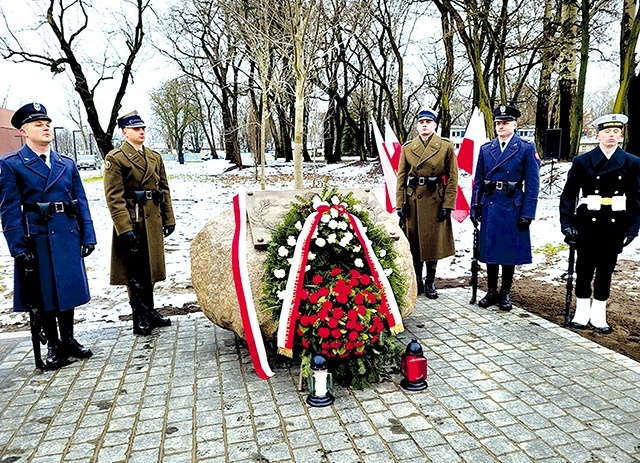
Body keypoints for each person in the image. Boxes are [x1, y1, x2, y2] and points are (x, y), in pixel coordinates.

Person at [0, 103, 96, 369]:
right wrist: (17, 246)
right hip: (37, 236)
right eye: (37, 124)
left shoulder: (66, 163)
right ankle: (53, 344)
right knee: (44, 293)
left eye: (47, 123)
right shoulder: (12, 164)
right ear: (23, 131)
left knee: (67, 289)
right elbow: (8, 208)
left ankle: (68, 340)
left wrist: (88, 234)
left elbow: (81, 200)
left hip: (66, 233)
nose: (45, 127)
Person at [559, 113, 640, 334]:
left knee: (606, 269)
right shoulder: (582, 161)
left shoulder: (632, 162)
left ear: (621, 136)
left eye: (615, 132)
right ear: (597, 136)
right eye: (606, 131)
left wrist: (633, 228)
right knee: (584, 268)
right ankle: (582, 311)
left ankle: (599, 313)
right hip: (587, 222)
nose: (611, 136)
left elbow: (636, 198)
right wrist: (566, 223)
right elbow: (569, 195)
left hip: (615, 223)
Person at [103, 111, 175, 335]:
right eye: (136, 129)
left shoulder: (154, 157)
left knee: (151, 269)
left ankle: (150, 310)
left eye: (143, 128)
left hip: (152, 221)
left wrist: (169, 218)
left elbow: (163, 189)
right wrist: (123, 229)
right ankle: (139, 315)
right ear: (124, 132)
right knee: (135, 271)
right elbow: (114, 197)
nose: (141, 132)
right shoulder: (116, 159)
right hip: (133, 221)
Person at [470, 104, 540, 311]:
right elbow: (479, 181)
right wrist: (476, 206)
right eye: (498, 123)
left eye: (506, 122)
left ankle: (506, 291)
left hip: (513, 206)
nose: (501, 126)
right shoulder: (486, 149)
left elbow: (533, 183)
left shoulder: (526, 148)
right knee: (491, 250)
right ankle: (492, 290)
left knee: (508, 251)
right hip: (491, 205)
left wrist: (528, 212)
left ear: (515, 125)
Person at [396, 108, 458, 299]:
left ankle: (430, 281)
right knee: (413, 242)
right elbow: (401, 176)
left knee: (432, 243)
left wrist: (448, 205)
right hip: (413, 200)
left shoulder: (446, 146)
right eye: (421, 122)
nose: (424, 125)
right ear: (416, 125)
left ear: (435, 125)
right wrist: (400, 203)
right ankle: (418, 281)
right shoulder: (408, 147)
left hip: (435, 200)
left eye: (428, 122)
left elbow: (453, 178)